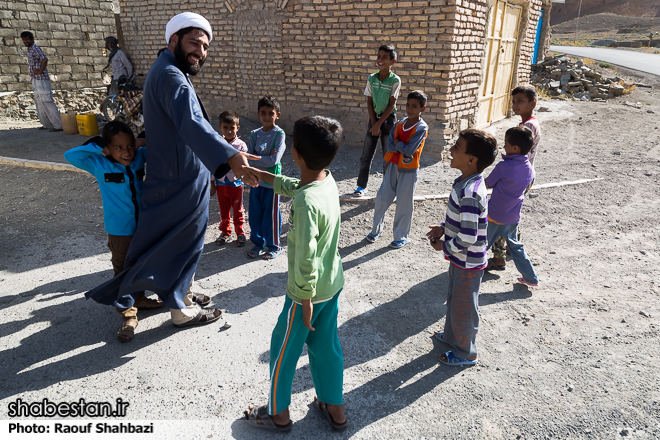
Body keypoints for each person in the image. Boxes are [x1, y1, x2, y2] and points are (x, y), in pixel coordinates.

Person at [85, 12, 260, 333]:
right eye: (195, 43)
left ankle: (180, 292)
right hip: (181, 178)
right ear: (174, 40)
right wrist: (230, 155)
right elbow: (191, 122)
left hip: (174, 173)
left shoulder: (166, 70)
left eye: (206, 47)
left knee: (173, 239)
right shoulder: (170, 76)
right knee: (185, 241)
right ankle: (180, 309)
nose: (201, 51)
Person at [243, 116, 347, 433]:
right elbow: (296, 185)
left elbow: (305, 257)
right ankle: (334, 406)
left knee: (283, 349)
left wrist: (302, 298)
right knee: (326, 347)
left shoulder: (304, 204)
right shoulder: (325, 181)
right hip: (331, 285)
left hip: (307, 294)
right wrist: (260, 176)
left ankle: (278, 414)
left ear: (296, 154)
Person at [64, 121, 164, 342]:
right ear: (107, 148)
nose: (126, 152)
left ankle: (139, 298)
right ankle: (128, 315)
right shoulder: (99, 164)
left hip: (143, 225)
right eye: (118, 147)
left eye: (129, 146)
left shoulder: (138, 156)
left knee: (141, 265)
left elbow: (161, 144)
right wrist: (100, 146)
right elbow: (71, 155)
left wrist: (139, 142)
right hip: (119, 229)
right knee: (122, 271)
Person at [427, 129, 497, 366]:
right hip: (461, 259)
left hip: (467, 259)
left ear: (471, 160)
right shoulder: (465, 183)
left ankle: (466, 352)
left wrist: (444, 247)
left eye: (457, 146)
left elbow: (468, 235)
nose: (451, 150)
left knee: (464, 306)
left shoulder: (469, 191)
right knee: (454, 298)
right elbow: (460, 220)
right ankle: (451, 337)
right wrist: (442, 228)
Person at [366, 90, 428, 249]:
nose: (410, 108)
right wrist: (400, 145)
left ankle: (401, 236)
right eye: (408, 105)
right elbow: (390, 145)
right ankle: (376, 230)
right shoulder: (400, 123)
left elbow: (409, 150)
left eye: (414, 106)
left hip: (409, 170)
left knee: (404, 203)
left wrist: (398, 144)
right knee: (382, 197)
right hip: (393, 165)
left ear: (423, 108)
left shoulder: (421, 128)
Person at [490, 85, 541, 269]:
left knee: (501, 216)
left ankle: (498, 257)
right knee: (511, 215)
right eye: (514, 101)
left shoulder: (526, 127)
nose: (515, 105)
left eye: (520, 101)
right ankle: (512, 246)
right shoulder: (532, 123)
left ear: (532, 103)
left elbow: (518, 157)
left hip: (515, 177)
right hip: (524, 175)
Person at [485, 127, 539, 287]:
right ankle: (531, 278)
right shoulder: (529, 168)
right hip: (513, 217)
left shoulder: (503, 166)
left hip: (494, 215)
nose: (504, 147)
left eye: (506, 144)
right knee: (516, 248)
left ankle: (469, 270)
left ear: (515, 148)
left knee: (481, 243)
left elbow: (488, 183)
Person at [353, 44, 401, 197]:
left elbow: (392, 104)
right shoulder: (372, 78)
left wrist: (379, 125)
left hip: (388, 120)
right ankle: (361, 186)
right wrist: (374, 124)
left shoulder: (395, 80)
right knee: (366, 154)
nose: (380, 60)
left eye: (385, 57)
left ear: (393, 61)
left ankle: (388, 188)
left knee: (388, 156)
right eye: (379, 56)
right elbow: (369, 102)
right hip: (373, 119)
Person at [245, 96, 286, 260]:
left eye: (271, 113)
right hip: (255, 181)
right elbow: (247, 158)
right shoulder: (254, 134)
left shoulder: (279, 134)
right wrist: (262, 157)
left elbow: (274, 160)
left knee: (271, 215)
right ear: (258, 114)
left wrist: (256, 157)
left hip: (272, 182)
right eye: (263, 113)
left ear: (278, 115)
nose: (267, 117)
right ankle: (257, 244)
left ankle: (274, 245)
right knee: (255, 214)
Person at [213, 110, 248, 247]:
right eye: (225, 127)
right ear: (219, 127)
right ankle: (226, 232)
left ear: (237, 128)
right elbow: (213, 163)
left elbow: (244, 165)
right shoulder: (217, 144)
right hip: (221, 183)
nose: (228, 131)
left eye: (232, 128)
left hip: (236, 184)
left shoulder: (241, 146)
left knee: (238, 209)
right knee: (224, 210)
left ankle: (240, 233)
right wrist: (212, 182)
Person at [20, 31, 62, 132]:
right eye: (24, 39)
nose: (26, 41)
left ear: (32, 39)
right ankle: (47, 124)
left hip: (41, 79)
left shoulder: (35, 48)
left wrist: (40, 71)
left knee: (47, 101)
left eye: (27, 39)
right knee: (39, 101)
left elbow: (44, 59)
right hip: (35, 79)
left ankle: (59, 125)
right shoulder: (30, 50)